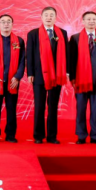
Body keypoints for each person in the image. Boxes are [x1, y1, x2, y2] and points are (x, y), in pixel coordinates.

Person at [26, 7, 69, 144]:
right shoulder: (33, 34)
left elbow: (66, 53)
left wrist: (66, 72)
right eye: (46, 15)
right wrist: (30, 73)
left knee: (53, 106)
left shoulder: (62, 33)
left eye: (51, 15)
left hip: (57, 75)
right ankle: (38, 136)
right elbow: (29, 54)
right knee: (39, 106)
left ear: (55, 18)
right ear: (41, 17)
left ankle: (52, 136)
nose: (49, 17)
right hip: (39, 75)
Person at [68, 11, 96, 145]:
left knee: (95, 110)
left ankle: (95, 136)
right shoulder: (75, 38)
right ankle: (81, 135)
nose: (91, 21)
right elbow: (71, 59)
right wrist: (72, 78)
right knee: (81, 109)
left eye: (94, 19)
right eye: (88, 19)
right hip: (80, 80)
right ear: (83, 21)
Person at [0, 14, 26, 143]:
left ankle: (10, 134)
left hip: (12, 81)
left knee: (11, 108)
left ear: (12, 24)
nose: (6, 24)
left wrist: (17, 77)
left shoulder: (19, 41)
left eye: (9, 22)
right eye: (3, 22)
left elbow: (22, 61)